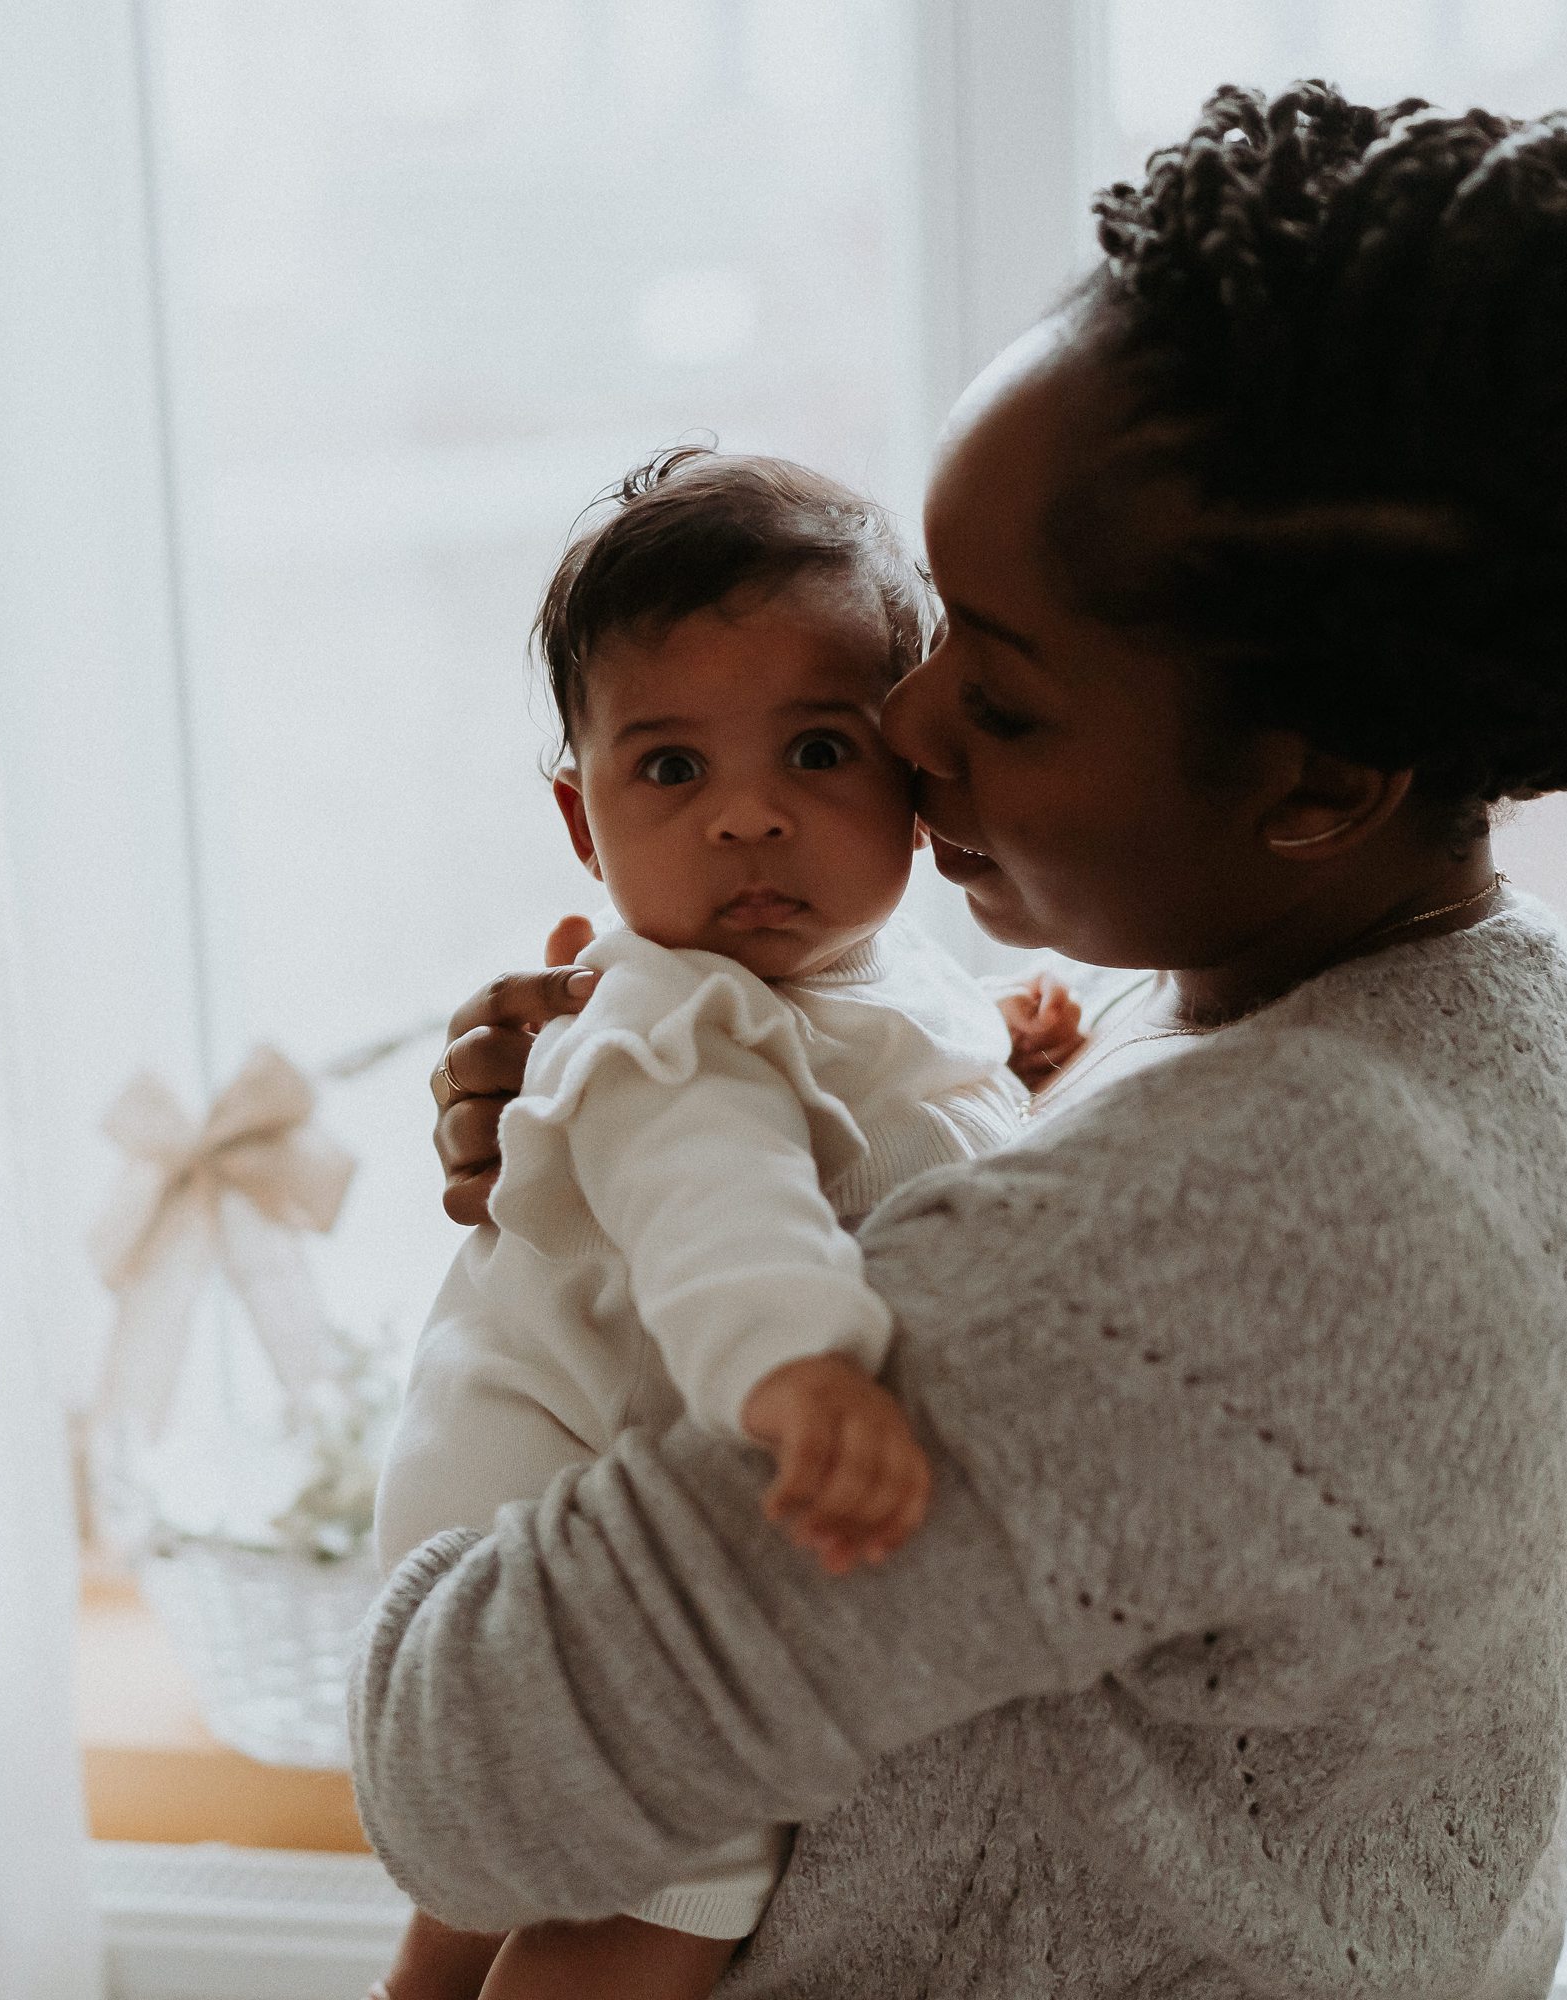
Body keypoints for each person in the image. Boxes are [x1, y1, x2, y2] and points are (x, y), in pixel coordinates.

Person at [357, 83, 1567, 1998]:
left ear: (1318, 780)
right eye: (935, 628)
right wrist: (631, 1095)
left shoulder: (1216, 1239)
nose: (909, 724)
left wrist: (563, 1322)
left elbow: (457, 1777)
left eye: (1004, 699)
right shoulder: (1454, 1003)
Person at [369, 449, 1051, 2000]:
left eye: (818, 750)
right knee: (667, 1893)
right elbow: (716, 1202)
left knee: (473, 1916)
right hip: (542, 1541)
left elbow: (897, 1097)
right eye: (672, 770)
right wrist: (800, 1370)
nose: (748, 819)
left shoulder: (865, 979)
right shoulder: (665, 1019)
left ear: (913, 772)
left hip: (529, 1534)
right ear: (579, 819)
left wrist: (1023, 1064)